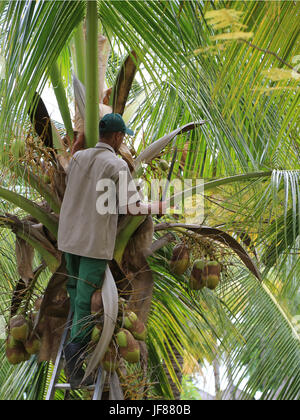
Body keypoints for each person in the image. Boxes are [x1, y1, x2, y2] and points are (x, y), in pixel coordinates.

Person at [57, 113, 165, 388]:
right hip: (93, 245)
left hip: (68, 241)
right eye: (123, 136)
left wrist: (78, 143)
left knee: (74, 290)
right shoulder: (117, 165)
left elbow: (71, 171)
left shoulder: (79, 158)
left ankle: (73, 346)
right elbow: (131, 208)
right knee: (85, 302)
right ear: (117, 138)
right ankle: (74, 353)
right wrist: (158, 207)